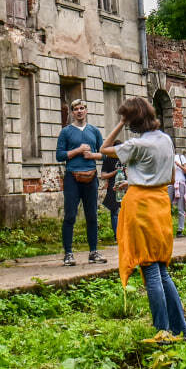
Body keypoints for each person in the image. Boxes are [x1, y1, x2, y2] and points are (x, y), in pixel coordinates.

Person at [101, 96, 186, 343]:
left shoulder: (136, 145)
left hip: (141, 206)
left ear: (133, 122)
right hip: (160, 203)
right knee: (161, 270)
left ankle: (162, 331)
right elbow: (171, 176)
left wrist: (119, 123)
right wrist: (140, 179)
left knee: (150, 269)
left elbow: (103, 149)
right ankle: (182, 331)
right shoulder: (166, 139)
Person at [56, 98, 107, 266]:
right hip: (72, 177)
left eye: (82, 108)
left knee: (92, 215)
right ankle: (68, 254)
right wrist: (77, 151)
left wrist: (92, 155)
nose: (79, 111)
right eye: (76, 109)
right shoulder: (66, 132)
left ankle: (94, 252)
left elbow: (105, 153)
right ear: (72, 112)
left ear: (86, 110)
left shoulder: (94, 131)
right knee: (70, 215)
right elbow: (59, 156)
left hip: (91, 177)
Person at [101, 153, 122, 238]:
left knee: (127, 212)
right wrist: (115, 172)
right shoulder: (108, 159)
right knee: (114, 211)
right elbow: (103, 175)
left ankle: (125, 235)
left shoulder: (126, 157)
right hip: (113, 187)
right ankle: (117, 236)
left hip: (126, 187)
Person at [172, 151, 186, 235]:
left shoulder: (180, 157)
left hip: (180, 183)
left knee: (181, 208)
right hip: (169, 184)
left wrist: (178, 165)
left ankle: (180, 230)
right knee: (166, 207)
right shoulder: (166, 157)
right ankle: (166, 229)